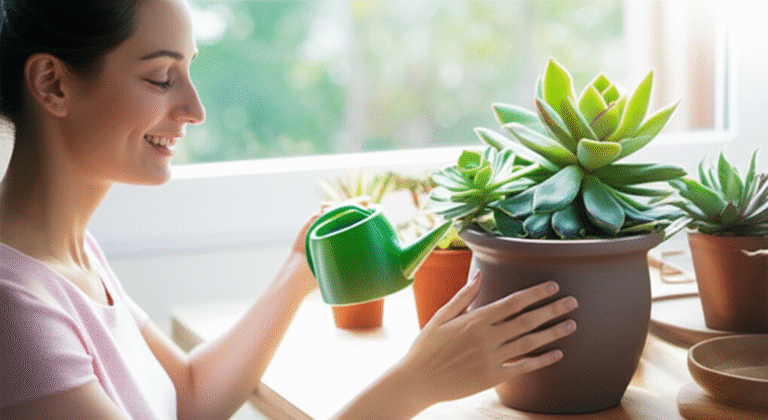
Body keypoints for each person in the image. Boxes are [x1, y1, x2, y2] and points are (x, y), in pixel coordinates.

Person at [0, 1, 578, 419]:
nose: (194, 108)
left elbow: (189, 396)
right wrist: (416, 383)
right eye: (161, 77)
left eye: (191, 72)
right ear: (52, 84)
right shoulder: (14, 309)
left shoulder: (71, 257)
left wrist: (298, 272)